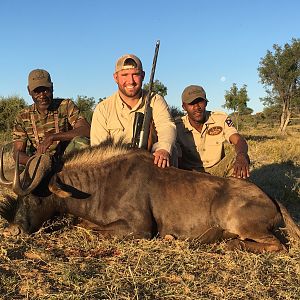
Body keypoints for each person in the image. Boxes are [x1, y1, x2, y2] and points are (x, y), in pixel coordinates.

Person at [91, 54, 176, 168]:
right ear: (116, 77)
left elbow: (166, 126)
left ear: (143, 75)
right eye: (124, 75)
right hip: (117, 169)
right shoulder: (103, 109)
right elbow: (99, 151)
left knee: (172, 150)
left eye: (135, 74)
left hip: (152, 164)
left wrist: (163, 149)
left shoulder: (156, 100)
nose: (130, 81)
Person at [13, 69, 90, 166]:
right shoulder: (23, 116)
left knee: (82, 142)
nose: (42, 96)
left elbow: (86, 130)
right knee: (14, 172)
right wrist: (34, 162)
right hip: (37, 161)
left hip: (66, 159)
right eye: (37, 91)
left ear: (52, 87)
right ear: (29, 91)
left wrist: (53, 137)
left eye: (46, 90)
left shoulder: (66, 105)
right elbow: (17, 153)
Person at [175, 85, 250, 179]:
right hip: (191, 175)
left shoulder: (220, 118)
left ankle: (238, 188)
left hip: (218, 170)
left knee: (239, 155)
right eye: (191, 103)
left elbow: (238, 139)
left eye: (200, 102)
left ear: (206, 103)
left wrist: (242, 156)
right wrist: (197, 174)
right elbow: (178, 161)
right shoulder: (177, 127)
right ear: (184, 107)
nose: (197, 107)